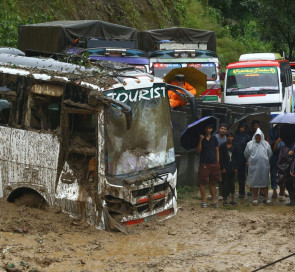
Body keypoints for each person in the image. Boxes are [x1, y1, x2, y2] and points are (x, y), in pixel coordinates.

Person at [244, 128, 272, 205]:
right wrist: (249, 160)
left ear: (262, 136)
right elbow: (246, 154)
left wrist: (265, 159)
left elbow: (269, 153)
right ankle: (255, 198)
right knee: (255, 181)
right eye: (256, 136)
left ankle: (266, 198)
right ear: (254, 136)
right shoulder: (249, 144)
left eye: (259, 136)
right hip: (253, 166)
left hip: (264, 166)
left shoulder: (266, 144)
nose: (258, 138)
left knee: (264, 182)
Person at [196, 123, 221, 208]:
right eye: (206, 128)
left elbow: (217, 150)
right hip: (204, 164)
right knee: (203, 182)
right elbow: (198, 151)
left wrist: (217, 161)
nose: (208, 130)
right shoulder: (201, 138)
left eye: (209, 128)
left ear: (212, 129)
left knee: (213, 182)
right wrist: (200, 140)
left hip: (213, 163)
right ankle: (203, 201)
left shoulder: (214, 138)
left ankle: (214, 200)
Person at [233, 122, 251, 198]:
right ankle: (231, 192)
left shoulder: (247, 137)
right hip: (235, 157)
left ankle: (242, 192)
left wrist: (248, 159)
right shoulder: (235, 136)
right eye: (241, 127)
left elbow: (249, 149)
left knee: (242, 176)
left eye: (244, 128)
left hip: (243, 158)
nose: (242, 129)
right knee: (232, 175)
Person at [220, 131, 237, 206]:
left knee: (232, 184)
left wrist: (236, 167)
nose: (230, 138)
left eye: (231, 136)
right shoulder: (222, 146)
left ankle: (233, 199)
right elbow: (221, 158)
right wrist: (222, 167)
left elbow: (237, 157)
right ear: (226, 137)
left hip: (233, 167)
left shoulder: (235, 146)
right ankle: (225, 199)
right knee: (225, 183)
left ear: (233, 138)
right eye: (228, 136)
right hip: (225, 168)